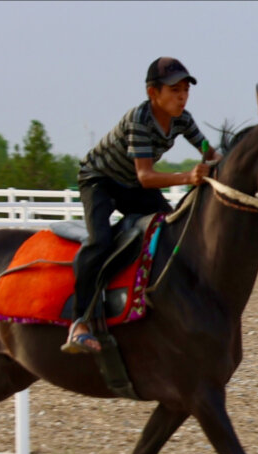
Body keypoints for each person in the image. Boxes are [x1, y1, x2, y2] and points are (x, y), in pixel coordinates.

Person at [62, 57, 221, 354]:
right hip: (100, 181)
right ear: (153, 93)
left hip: (130, 185)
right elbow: (146, 177)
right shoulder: (139, 120)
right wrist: (189, 175)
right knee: (100, 242)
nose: (182, 96)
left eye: (186, 89)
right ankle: (78, 323)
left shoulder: (183, 119)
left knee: (173, 226)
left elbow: (209, 152)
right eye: (175, 90)